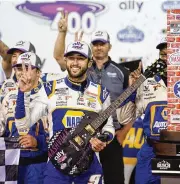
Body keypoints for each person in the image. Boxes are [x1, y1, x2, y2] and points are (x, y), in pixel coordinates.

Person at [14, 42, 115, 184]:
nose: (75, 62)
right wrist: (22, 93)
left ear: (90, 62)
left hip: (90, 167)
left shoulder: (101, 93)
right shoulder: (50, 89)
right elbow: (23, 126)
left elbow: (109, 127)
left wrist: (103, 139)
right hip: (56, 168)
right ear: (65, 60)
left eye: (80, 58)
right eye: (71, 58)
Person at [53, 11, 134, 184]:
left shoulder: (122, 71)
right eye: (95, 44)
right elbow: (60, 58)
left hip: (110, 134)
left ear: (109, 47)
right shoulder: (82, 67)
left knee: (114, 179)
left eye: (102, 44)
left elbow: (132, 102)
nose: (98, 47)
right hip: (84, 136)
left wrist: (124, 132)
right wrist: (62, 33)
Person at [118, 38, 167, 184]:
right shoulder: (146, 83)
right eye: (163, 55)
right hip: (151, 149)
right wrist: (131, 89)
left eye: (171, 54)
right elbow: (123, 117)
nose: (166, 59)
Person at [1, 52, 48, 184]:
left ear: (38, 72)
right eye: (19, 68)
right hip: (10, 164)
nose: (22, 72)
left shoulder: (49, 98)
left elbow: (59, 137)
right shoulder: (8, 97)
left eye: (27, 67)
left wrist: (38, 142)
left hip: (38, 165)